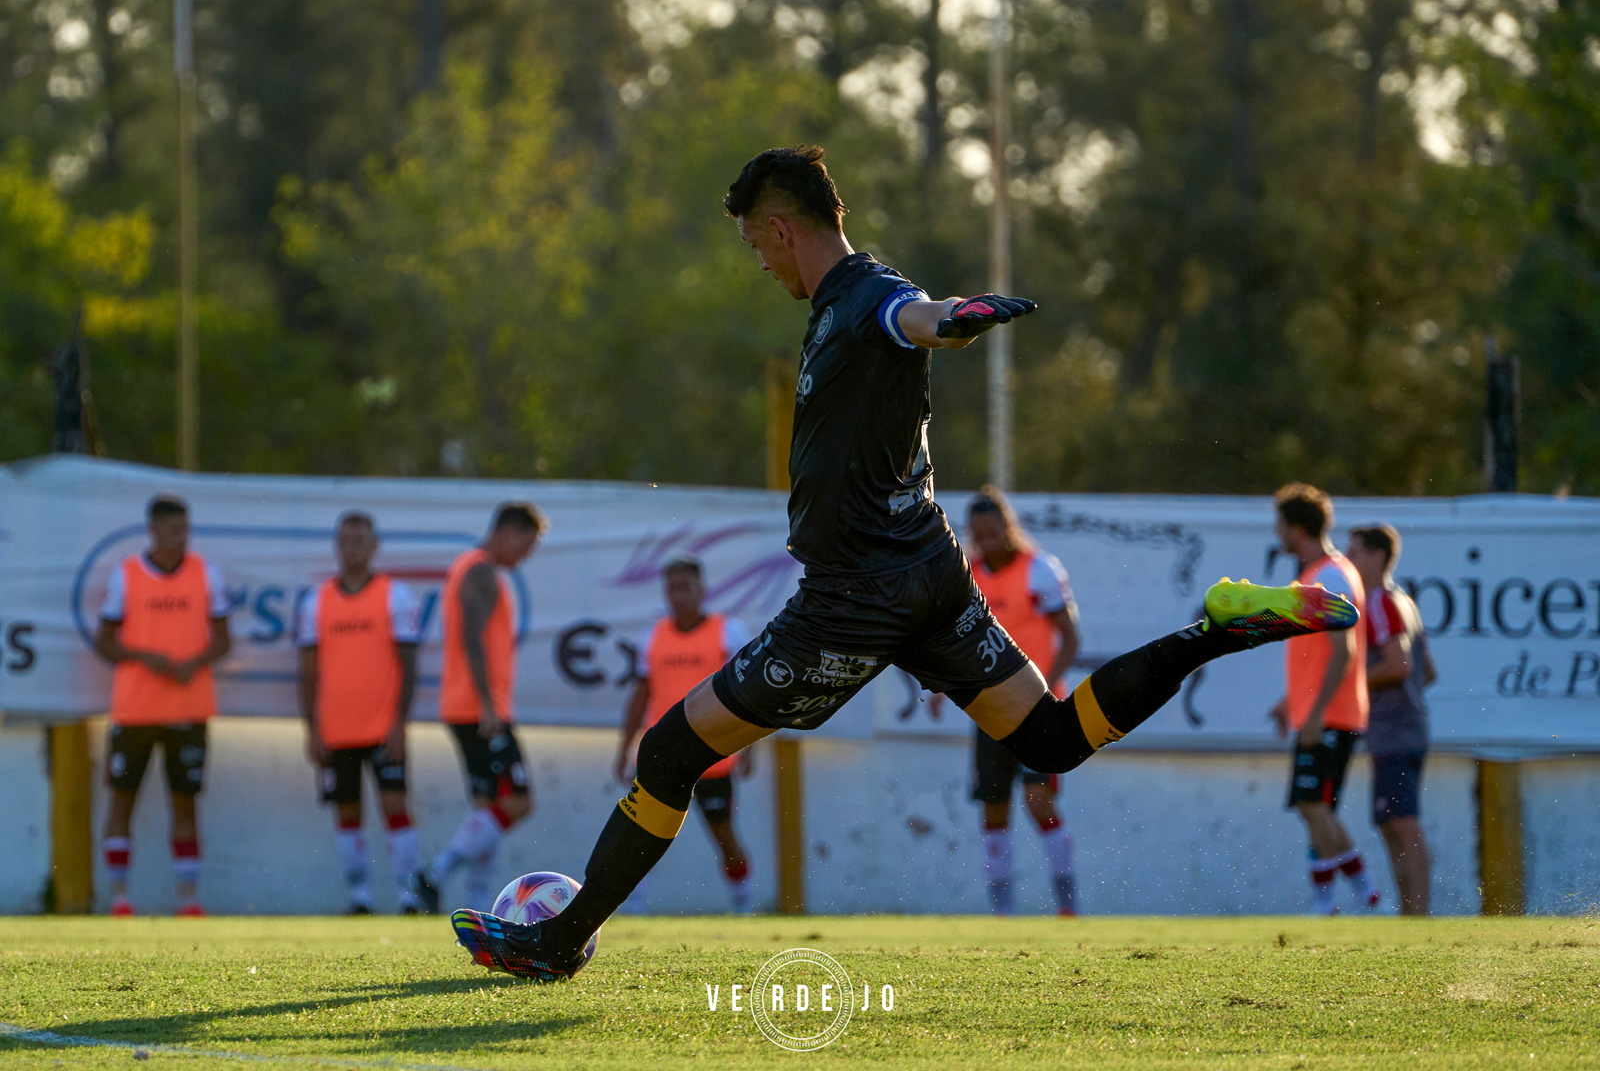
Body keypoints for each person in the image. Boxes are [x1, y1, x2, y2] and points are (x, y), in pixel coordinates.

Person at [453, 145, 1356, 978]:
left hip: (855, 598)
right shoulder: (848, 301)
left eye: (752, 243)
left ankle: (560, 943)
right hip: (932, 572)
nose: (756, 262)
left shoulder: (860, 299)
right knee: (1047, 739)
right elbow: (911, 322)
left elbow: (913, 320)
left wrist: (957, 318)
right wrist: (943, 318)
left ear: (778, 227)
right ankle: (1218, 629)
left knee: (670, 747)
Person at [93, 494, 231, 916]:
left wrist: (196, 661)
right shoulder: (127, 575)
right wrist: (144, 657)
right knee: (122, 800)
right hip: (135, 710)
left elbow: (223, 640)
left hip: (189, 708)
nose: (180, 538)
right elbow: (104, 641)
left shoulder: (206, 573)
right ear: (153, 530)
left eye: (185, 530)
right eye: (173, 530)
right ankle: (120, 897)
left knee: (185, 801)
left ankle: (188, 899)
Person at [412, 503, 547, 913]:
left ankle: (476, 909)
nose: (527, 555)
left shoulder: (471, 567)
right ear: (509, 532)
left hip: (468, 706)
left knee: (488, 811)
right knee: (518, 801)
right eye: (527, 544)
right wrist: (489, 704)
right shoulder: (481, 570)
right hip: (479, 709)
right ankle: (434, 873)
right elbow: (470, 638)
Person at [295, 512, 423, 914]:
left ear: (373, 546)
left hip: (384, 728)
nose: (352, 548)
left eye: (360, 540)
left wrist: (400, 723)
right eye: (345, 540)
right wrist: (311, 729)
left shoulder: (395, 596)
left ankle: (409, 895)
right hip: (336, 731)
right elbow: (307, 672)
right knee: (347, 813)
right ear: (337, 546)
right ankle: (360, 898)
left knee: (395, 806)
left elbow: (409, 665)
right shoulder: (316, 601)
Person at [965, 486, 1082, 916]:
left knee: (1038, 800)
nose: (987, 541)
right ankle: (1003, 914)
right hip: (990, 708)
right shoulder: (968, 573)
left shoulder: (1040, 569)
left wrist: (1048, 687)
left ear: (1009, 527)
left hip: (1040, 708)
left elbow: (1069, 638)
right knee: (993, 808)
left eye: (993, 531)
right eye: (979, 534)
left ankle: (1067, 904)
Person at [614, 555, 753, 913]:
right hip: (664, 754)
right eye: (671, 588)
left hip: (713, 755)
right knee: (643, 835)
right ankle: (635, 908)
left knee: (723, 835)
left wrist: (750, 746)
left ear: (702, 589)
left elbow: (748, 694)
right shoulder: (653, 637)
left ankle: (742, 902)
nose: (677, 596)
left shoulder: (727, 632)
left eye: (685, 587)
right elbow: (640, 695)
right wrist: (624, 749)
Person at [1267, 482, 1376, 915]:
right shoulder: (1317, 574)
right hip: (1320, 710)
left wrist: (1313, 713)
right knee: (1317, 809)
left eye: (1279, 524)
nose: (1276, 532)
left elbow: (1344, 652)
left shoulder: (1330, 575)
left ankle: (1333, 901)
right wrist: (1288, 701)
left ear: (1296, 529)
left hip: (1331, 714)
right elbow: (1315, 656)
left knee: (1313, 806)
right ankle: (1362, 895)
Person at [1347, 523, 1435, 916]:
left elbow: (1398, 664)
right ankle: (1410, 914)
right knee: (1391, 823)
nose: (1349, 561)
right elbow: (1426, 670)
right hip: (1403, 727)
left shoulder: (1379, 600)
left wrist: (1350, 681)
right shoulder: (1403, 600)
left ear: (1377, 556)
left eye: (1356, 553)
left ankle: (1417, 917)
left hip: (1396, 730)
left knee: (1402, 824)